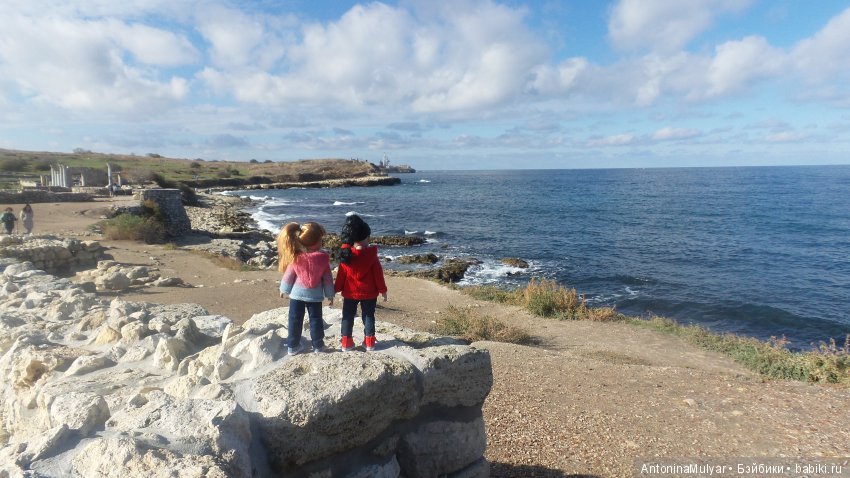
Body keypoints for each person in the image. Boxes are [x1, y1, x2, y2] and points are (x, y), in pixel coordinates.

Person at [278, 221, 335, 355]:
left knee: (294, 319)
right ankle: (318, 346)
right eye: (320, 239)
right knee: (316, 320)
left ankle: (292, 346)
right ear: (317, 242)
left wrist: (284, 289)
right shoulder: (323, 260)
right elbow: (327, 279)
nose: (322, 242)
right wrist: (330, 294)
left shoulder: (296, 258)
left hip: (296, 295)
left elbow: (289, 275)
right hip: (315, 296)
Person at [334, 214, 388, 351]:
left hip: (350, 292)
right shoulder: (371, 256)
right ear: (368, 238)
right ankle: (369, 341)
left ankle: (346, 342)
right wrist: (383, 290)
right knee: (368, 316)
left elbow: (341, 275)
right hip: (369, 293)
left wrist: (335, 289)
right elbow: (378, 275)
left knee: (347, 316)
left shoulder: (346, 256)